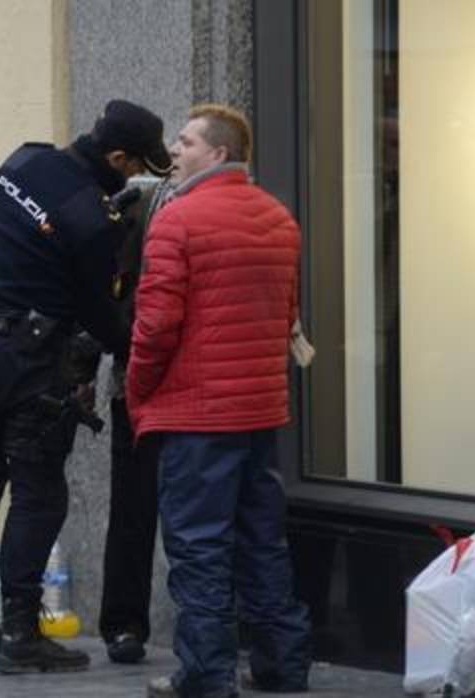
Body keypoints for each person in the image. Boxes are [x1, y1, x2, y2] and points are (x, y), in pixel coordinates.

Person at [0, 99, 173, 675]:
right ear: (116, 157)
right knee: (40, 493)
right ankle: (19, 632)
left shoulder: (20, 162)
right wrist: (139, 347)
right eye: (135, 164)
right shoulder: (93, 222)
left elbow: (42, 226)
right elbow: (99, 312)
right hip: (32, 364)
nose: (137, 175)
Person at [127, 104, 312, 698]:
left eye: (185, 142)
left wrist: (138, 389)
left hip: (197, 415)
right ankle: (282, 665)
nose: (174, 152)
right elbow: (287, 316)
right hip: (259, 411)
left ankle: (206, 675)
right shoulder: (279, 220)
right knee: (263, 540)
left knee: (199, 547)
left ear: (219, 153)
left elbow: (155, 326)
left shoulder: (178, 222)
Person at [98, 174, 173, 665]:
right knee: (132, 508)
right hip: (137, 381)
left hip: (196, 387)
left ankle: (212, 629)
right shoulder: (141, 202)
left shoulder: (246, 208)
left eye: (186, 143)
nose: (177, 153)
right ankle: (124, 624)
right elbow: (106, 292)